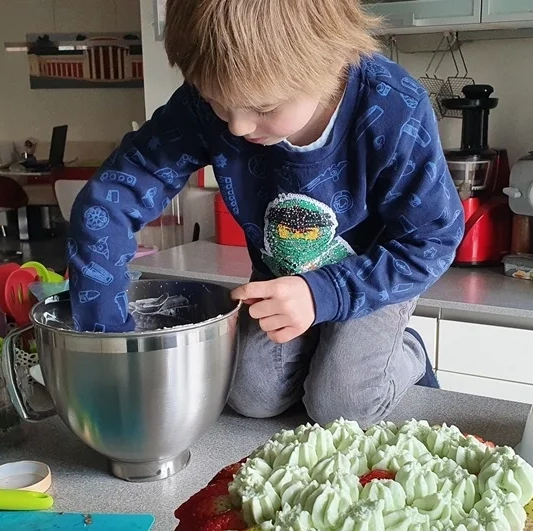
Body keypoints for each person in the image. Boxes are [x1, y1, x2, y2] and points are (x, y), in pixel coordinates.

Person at [66, 0, 464, 428]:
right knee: (250, 396)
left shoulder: (394, 108)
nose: (236, 127)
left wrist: (320, 295)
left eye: (264, 108)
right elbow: (111, 198)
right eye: (216, 101)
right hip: (281, 276)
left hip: (376, 277)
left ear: (329, 62)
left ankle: (406, 353)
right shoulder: (209, 105)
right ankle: (321, 341)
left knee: (340, 405)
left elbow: (432, 241)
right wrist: (105, 336)